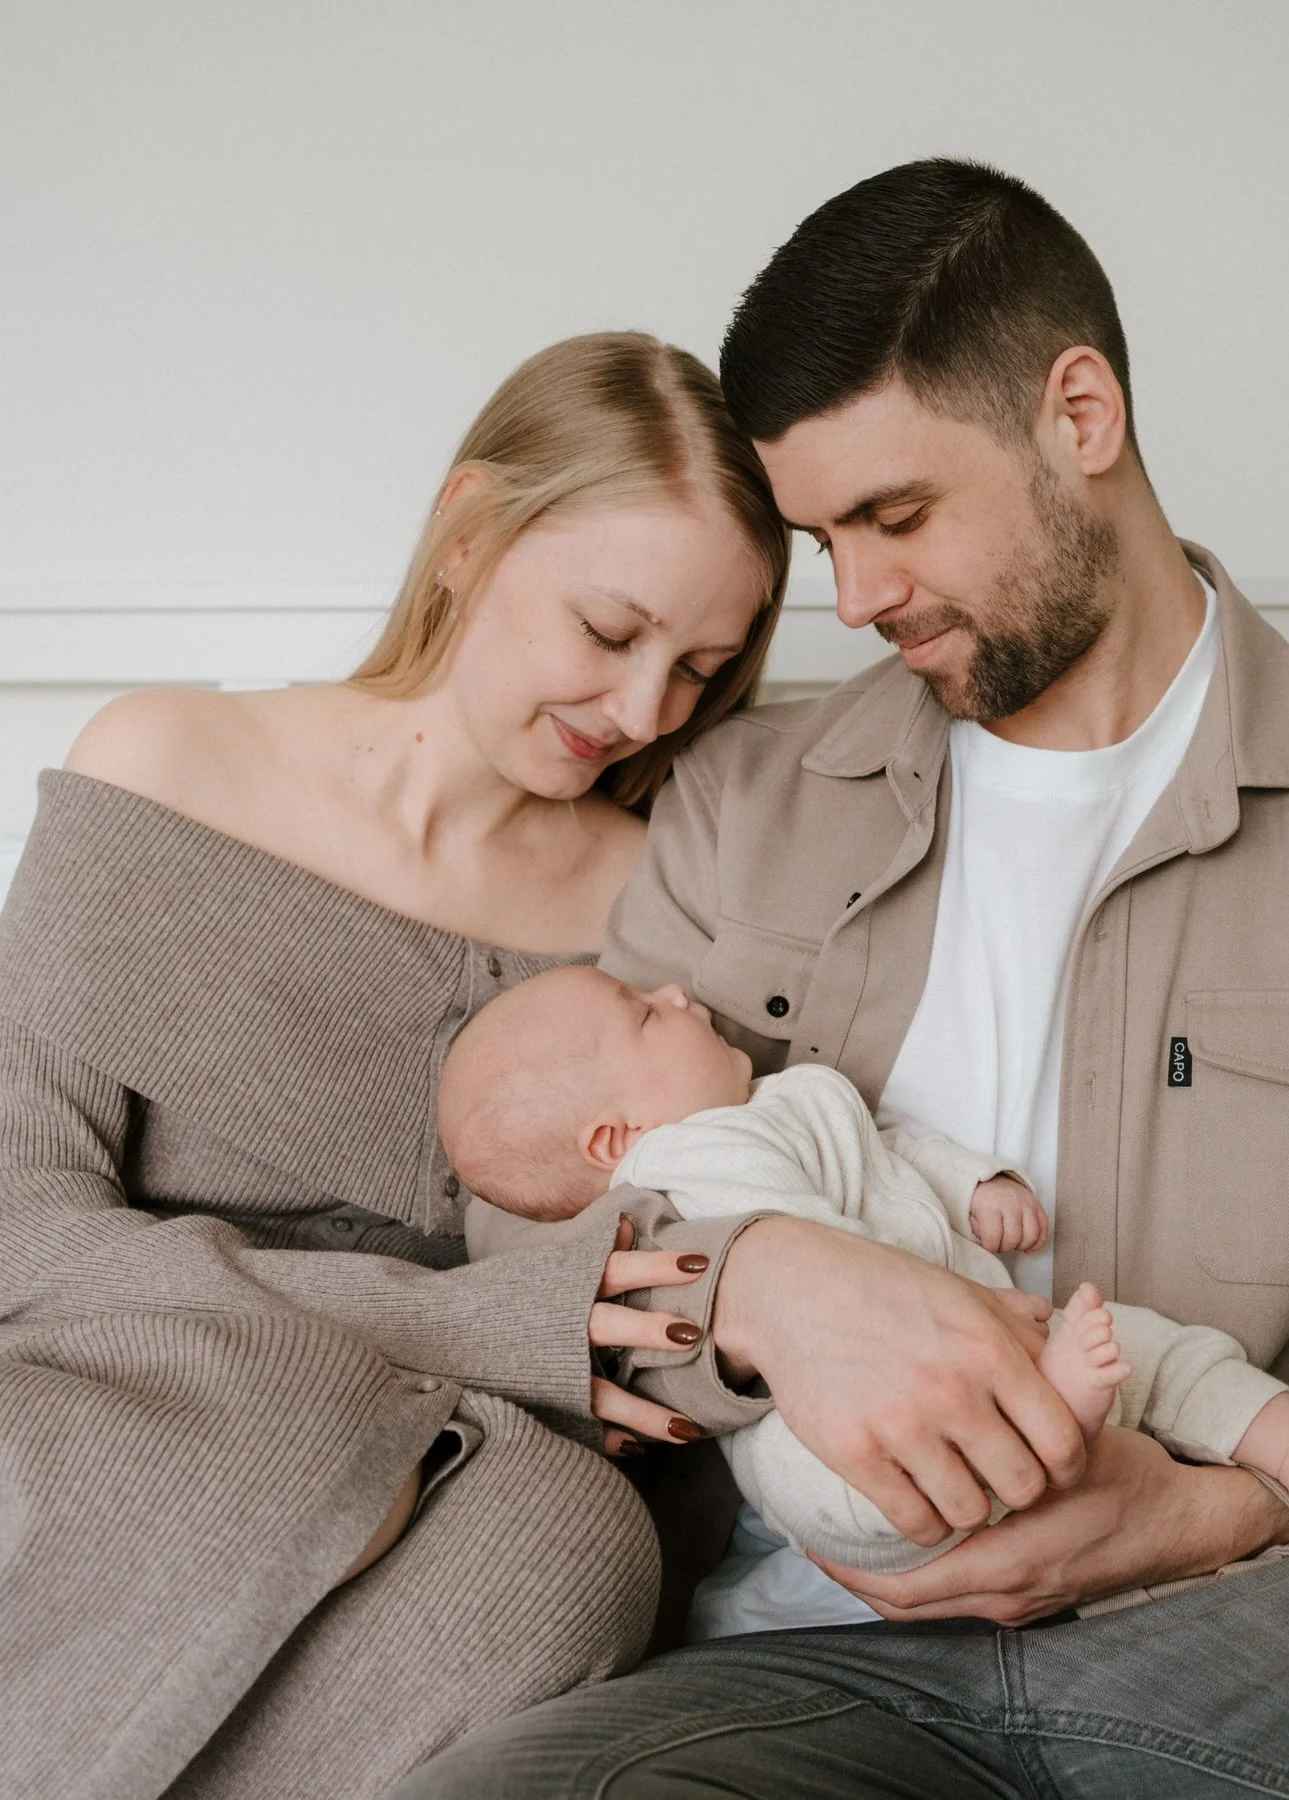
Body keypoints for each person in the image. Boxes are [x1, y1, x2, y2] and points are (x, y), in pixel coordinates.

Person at [390, 165, 1289, 1798]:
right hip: (807, 1653)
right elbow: (532, 1215)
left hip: (1258, 1622)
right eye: (823, 540)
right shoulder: (740, 803)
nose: (855, 599)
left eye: (894, 518)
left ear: (1078, 415)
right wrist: (756, 1292)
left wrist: (1241, 1502)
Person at [2, 331, 1090, 1800]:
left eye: (702, 669)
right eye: (608, 630)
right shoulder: (170, 764)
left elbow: (676, 1288)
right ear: (469, 538)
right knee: (297, 1422)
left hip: (487, 1482)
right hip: (128, 1398)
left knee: (563, 1543)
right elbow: (23, 1238)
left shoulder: (665, 906)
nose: (645, 713)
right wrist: (485, 1328)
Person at [439, 959, 1289, 1622]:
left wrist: (973, 1180)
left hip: (993, 1333)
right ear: (614, 1140)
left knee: (1158, 1344)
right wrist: (823, 1296)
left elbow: (886, 1140)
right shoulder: (687, 1164)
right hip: (834, 1446)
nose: (677, 994)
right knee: (869, 1484)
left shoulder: (781, 1099)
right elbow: (808, 1267)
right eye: (645, 1016)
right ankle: (1060, 1425)